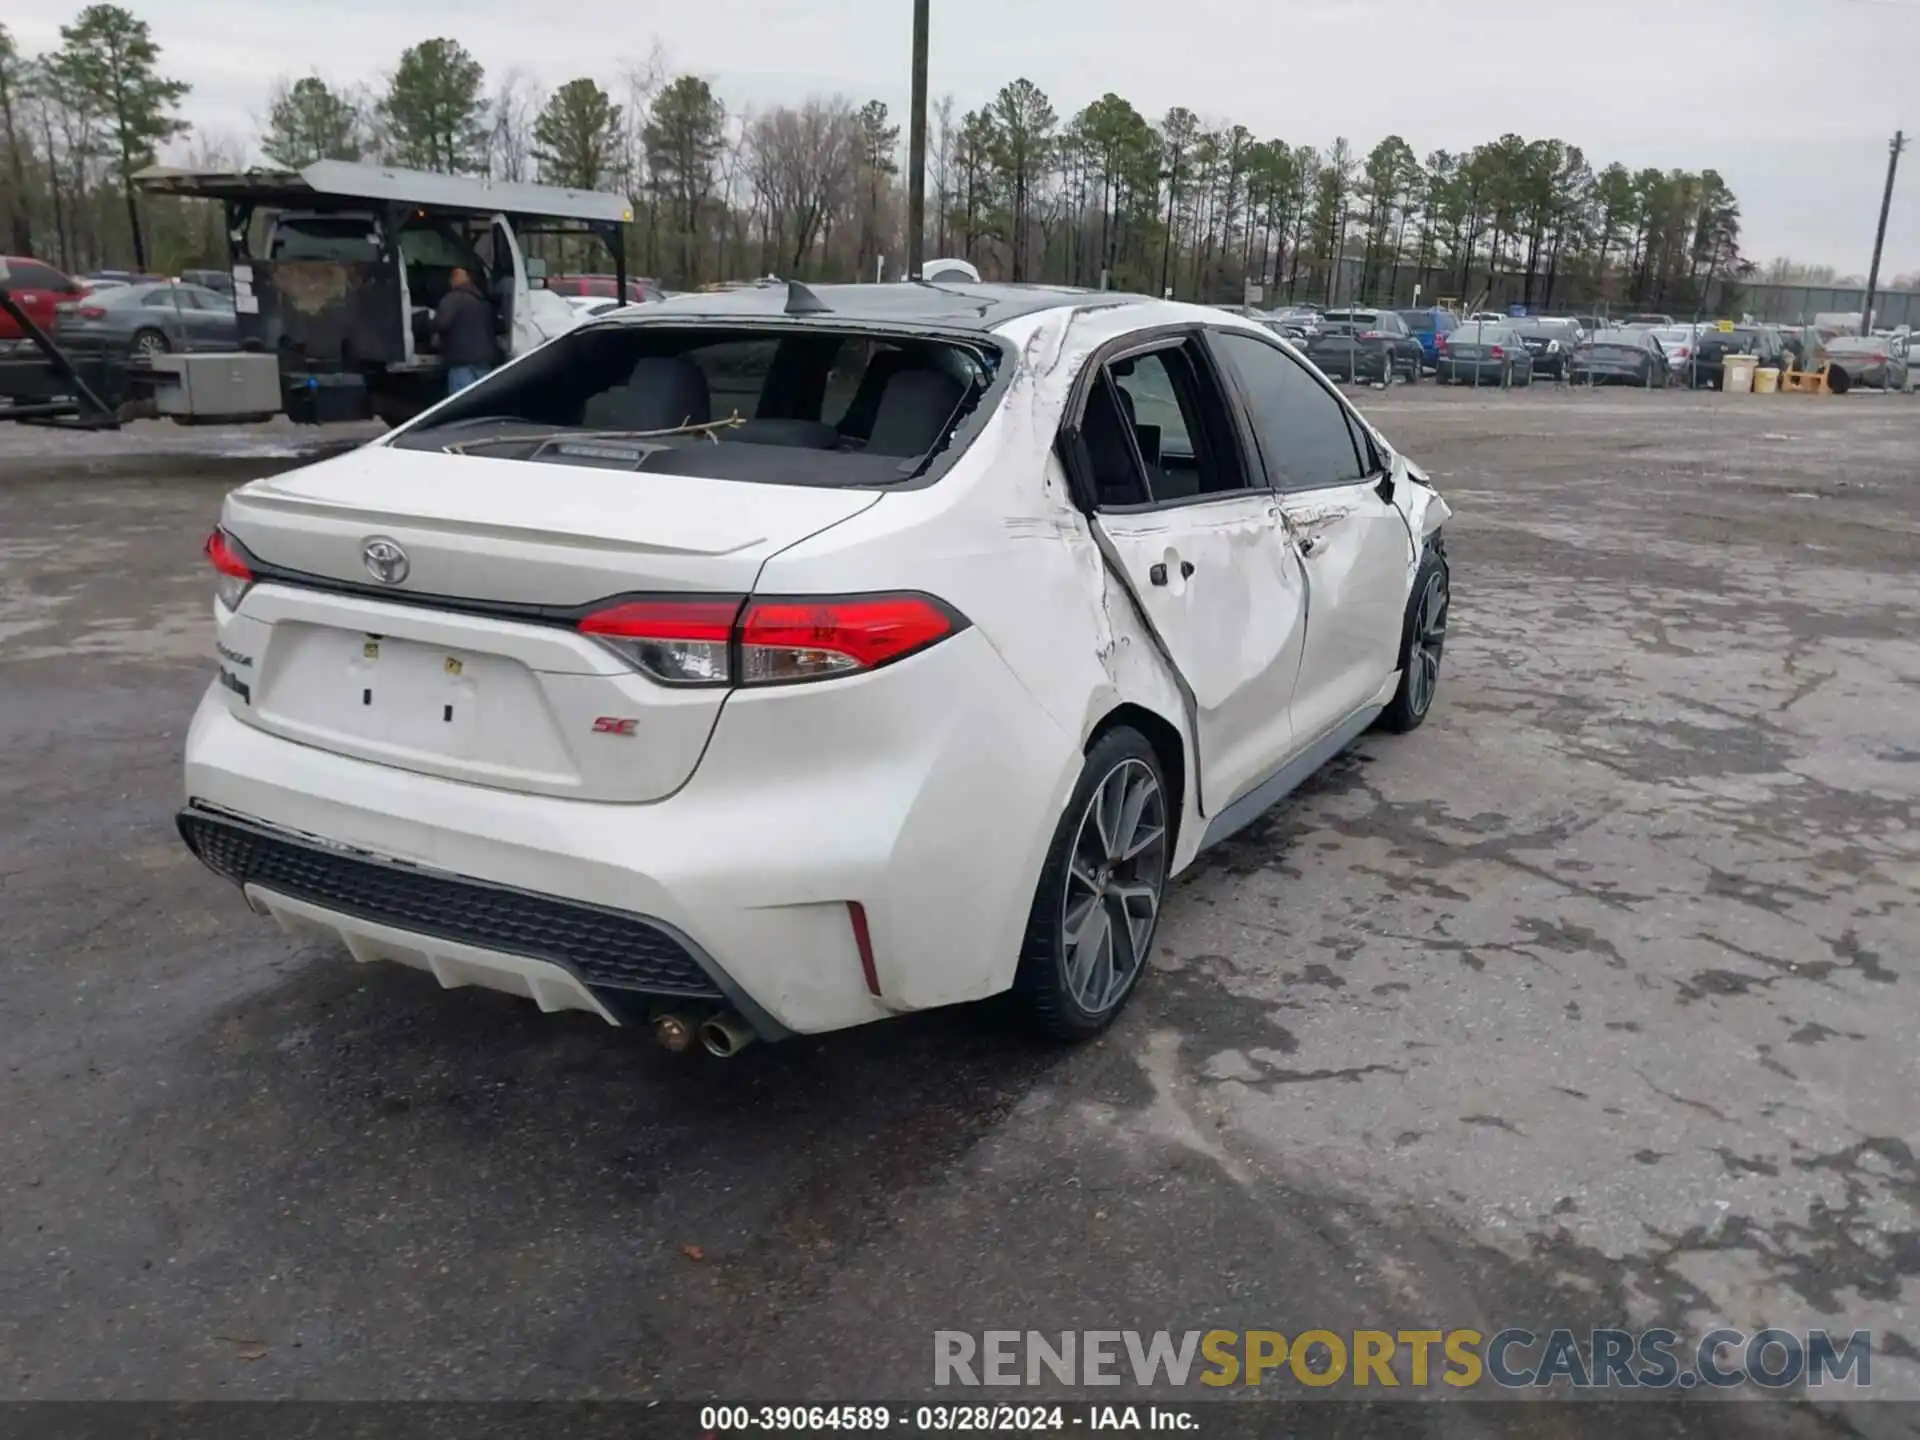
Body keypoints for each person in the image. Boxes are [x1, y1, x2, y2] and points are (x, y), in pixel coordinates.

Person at [434, 267, 499, 394]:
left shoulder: (452, 299)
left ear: (453, 280)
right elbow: (496, 325)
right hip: (484, 362)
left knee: (463, 403)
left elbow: (441, 324)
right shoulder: (483, 301)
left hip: (461, 362)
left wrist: (426, 323)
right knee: (482, 400)